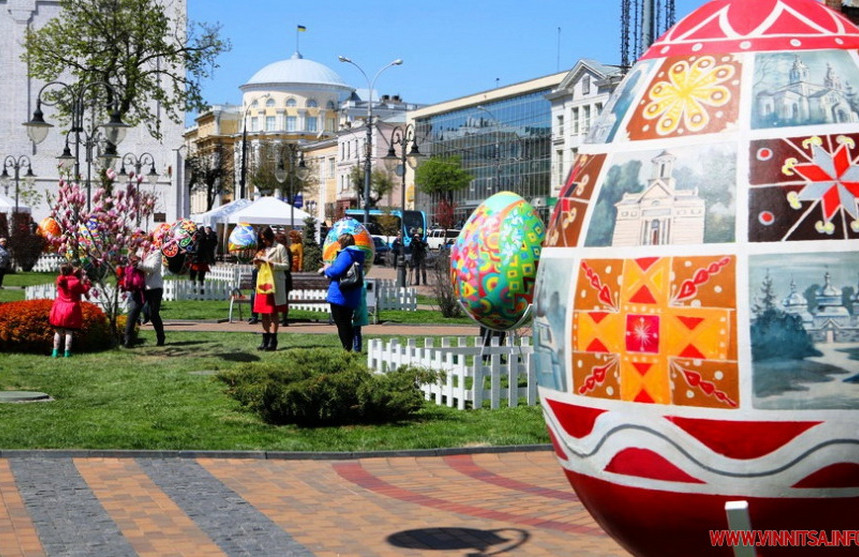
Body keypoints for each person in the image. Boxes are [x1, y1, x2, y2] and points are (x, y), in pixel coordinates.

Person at [322, 232, 365, 351]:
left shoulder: (346, 254)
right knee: (346, 322)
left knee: (342, 323)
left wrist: (327, 269)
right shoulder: (357, 254)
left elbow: (337, 271)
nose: (338, 245)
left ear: (343, 243)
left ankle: (347, 348)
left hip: (340, 295)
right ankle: (350, 347)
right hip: (351, 293)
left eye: (339, 243)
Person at [252, 226, 291, 351]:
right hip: (263, 284)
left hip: (274, 285)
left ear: (270, 237)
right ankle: (265, 339)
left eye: (265, 239)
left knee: (273, 312)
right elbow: (257, 268)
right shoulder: (261, 249)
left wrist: (273, 264)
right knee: (263, 313)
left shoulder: (280, 248)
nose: (264, 241)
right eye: (261, 239)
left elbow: (286, 265)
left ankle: (273, 340)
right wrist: (257, 263)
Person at [124, 246, 166, 348]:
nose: (144, 244)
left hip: (154, 288)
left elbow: (152, 268)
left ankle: (161, 337)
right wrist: (130, 255)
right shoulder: (139, 252)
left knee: (153, 314)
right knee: (133, 312)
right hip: (139, 287)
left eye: (146, 241)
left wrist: (138, 264)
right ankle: (128, 340)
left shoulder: (156, 253)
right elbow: (130, 261)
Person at [48, 263, 91, 357]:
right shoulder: (75, 282)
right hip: (71, 308)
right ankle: (67, 352)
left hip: (59, 307)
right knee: (69, 332)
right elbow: (84, 289)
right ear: (72, 271)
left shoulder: (60, 280)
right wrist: (87, 282)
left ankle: (55, 352)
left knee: (58, 332)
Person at [275, 232, 293, 326]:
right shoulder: (288, 250)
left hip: (282, 276)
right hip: (287, 277)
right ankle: (284, 319)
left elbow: (288, 265)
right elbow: (291, 265)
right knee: (284, 299)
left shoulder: (280, 250)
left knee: (278, 299)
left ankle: (278, 318)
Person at [187, 230, 211, 299]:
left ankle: (195, 291)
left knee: (193, 278)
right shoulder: (204, 242)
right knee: (201, 279)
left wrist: (188, 252)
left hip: (197, 262)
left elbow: (197, 252)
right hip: (201, 262)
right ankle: (200, 292)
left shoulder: (199, 242)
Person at [352, 282, 369, 352]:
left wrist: (355, 314)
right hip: (359, 312)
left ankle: (357, 349)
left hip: (356, 313)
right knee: (356, 331)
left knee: (355, 332)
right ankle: (357, 348)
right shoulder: (362, 287)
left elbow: (358, 304)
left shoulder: (358, 289)